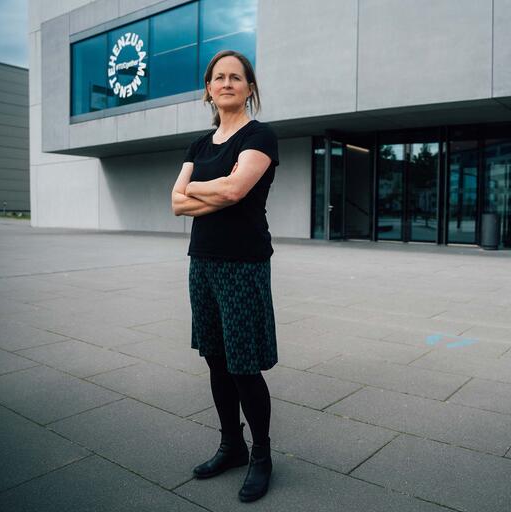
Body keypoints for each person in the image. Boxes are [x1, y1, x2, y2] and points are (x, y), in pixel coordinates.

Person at [171, 49, 278, 503]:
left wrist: (195, 187)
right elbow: (176, 203)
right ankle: (231, 446)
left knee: (243, 365)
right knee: (216, 359)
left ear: (249, 88)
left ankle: (262, 456)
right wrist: (208, 190)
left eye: (236, 77)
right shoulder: (199, 146)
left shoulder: (260, 136)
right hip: (203, 262)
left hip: (243, 264)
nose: (227, 83)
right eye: (219, 77)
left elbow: (236, 190)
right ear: (208, 89)